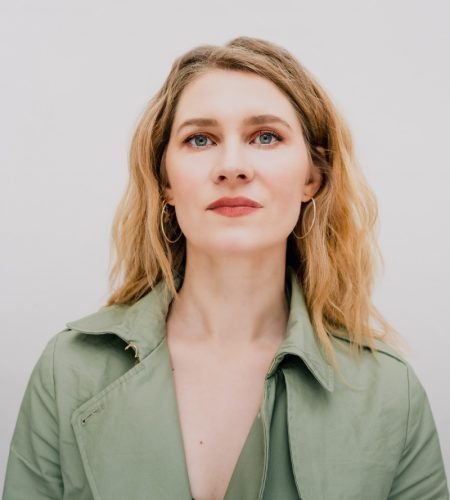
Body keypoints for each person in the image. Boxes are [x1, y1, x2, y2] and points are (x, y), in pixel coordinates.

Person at [3, 36, 448, 500]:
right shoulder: (68, 370)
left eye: (266, 137)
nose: (232, 166)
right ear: (165, 180)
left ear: (312, 177)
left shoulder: (391, 393)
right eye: (200, 139)